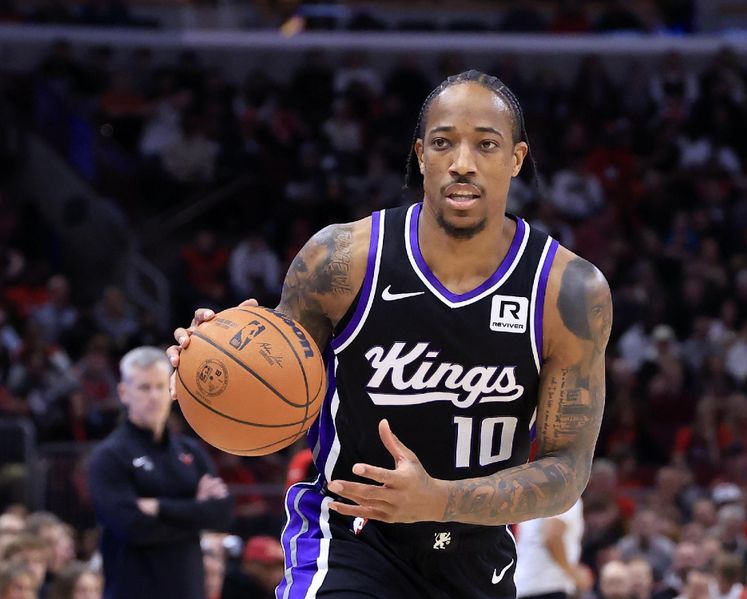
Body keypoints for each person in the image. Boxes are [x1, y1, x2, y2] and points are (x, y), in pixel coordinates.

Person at [169, 70, 611, 599]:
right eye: (444, 143)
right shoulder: (341, 260)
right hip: (350, 538)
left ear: (515, 159)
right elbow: (280, 401)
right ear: (421, 154)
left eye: (486, 145)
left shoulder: (569, 292)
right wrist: (216, 368)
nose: (462, 163)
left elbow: (567, 470)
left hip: (472, 551)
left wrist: (438, 500)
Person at [87, 347, 234, 599]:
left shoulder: (190, 451)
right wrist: (195, 510)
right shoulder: (109, 455)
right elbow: (130, 527)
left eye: (159, 386)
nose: (154, 396)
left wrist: (156, 507)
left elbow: (221, 515)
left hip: (188, 589)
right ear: (124, 392)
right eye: (144, 388)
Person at [514, 498, 587, 599]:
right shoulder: (567, 495)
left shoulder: (540, 497)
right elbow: (552, 536)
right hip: (547, 586)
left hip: (526, 585)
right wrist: (574, 574)